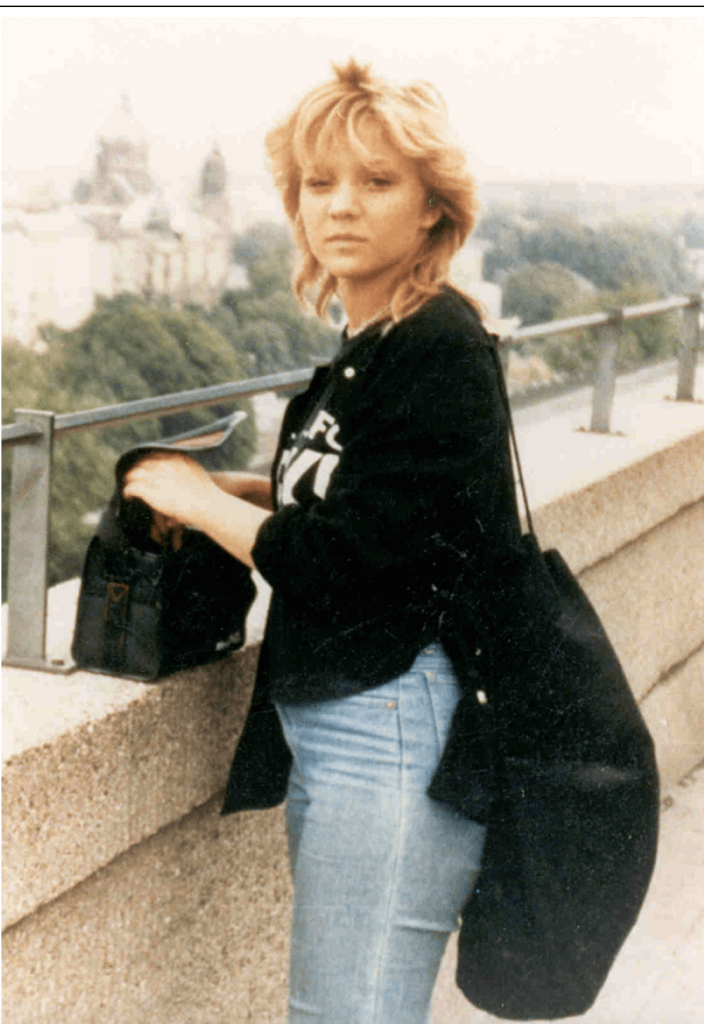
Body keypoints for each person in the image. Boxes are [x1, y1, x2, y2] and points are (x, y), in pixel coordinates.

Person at [124, 59, 523, 1024]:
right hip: (351, 717)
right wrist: (242, 490)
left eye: (376, 182)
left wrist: (196, 501)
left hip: (395, 724)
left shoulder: (437, 348)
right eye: (319, 184)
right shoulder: (376, 339)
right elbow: (372, 506)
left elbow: (347, 564)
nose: (340, 207)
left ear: (434, 207)